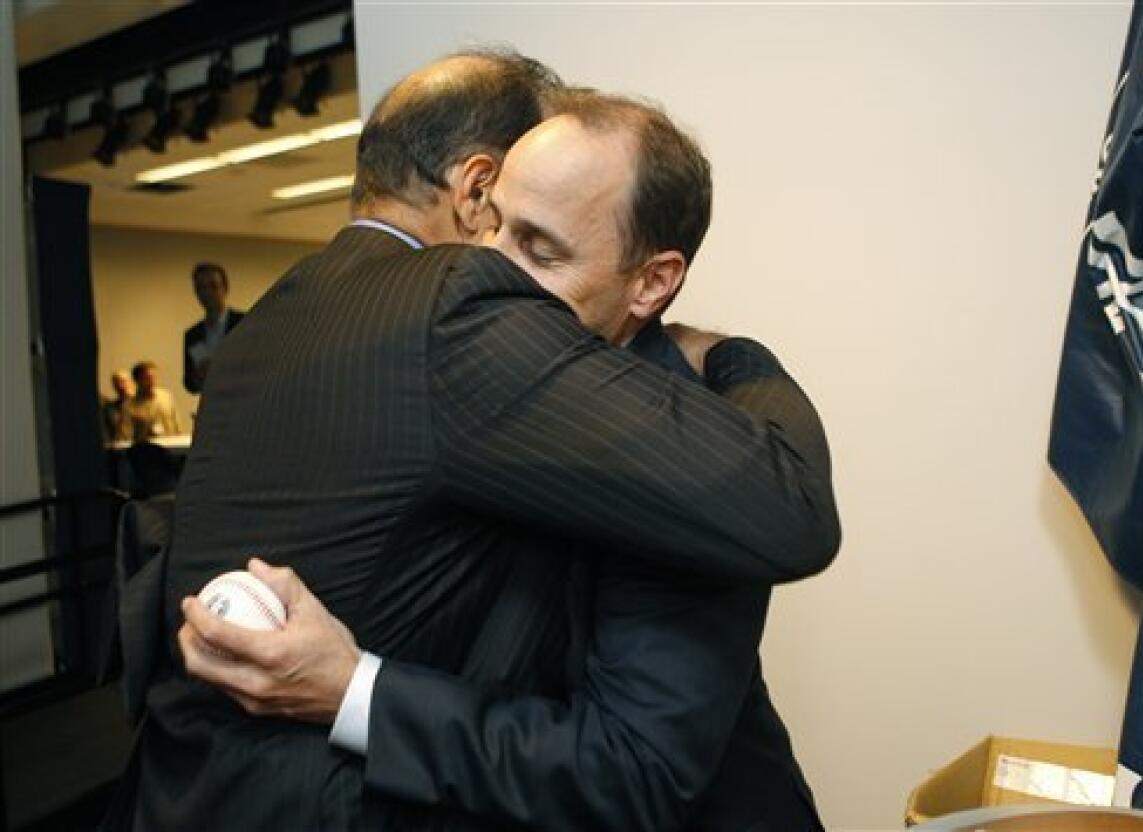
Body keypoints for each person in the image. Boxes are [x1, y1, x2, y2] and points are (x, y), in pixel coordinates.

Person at [124, 50, 836, 832]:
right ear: (474, 193)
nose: (491, 264)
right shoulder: (484, 355)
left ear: (651, 282)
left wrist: (356, 686)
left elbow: (636, 768)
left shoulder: (679, 433)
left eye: (537, 246)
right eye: (494, 223)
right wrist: (354, 686)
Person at [183, 262, 244, 394]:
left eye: (213, 286)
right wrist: (197, 378)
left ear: (225, 288)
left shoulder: (244, 323)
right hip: (210, 405)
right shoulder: (192, 335)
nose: (207, 293)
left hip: (242, 402)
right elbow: (189, 383)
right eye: (201, 288)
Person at [125, 361, 181, 441]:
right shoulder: (129, 405)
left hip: (170, 446)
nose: (152, 380)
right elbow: (125, 436)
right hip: (146, 449)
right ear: (137, 380)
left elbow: (176, 424)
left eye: (154, 377)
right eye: (147, 378)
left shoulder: (166, 396)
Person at [101, 369, 134, 443]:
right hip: (118, 447)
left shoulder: (140, 404)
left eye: (123, 381)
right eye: (116, 383)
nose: (120, 386)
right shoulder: (109, 408)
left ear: (131, 382)